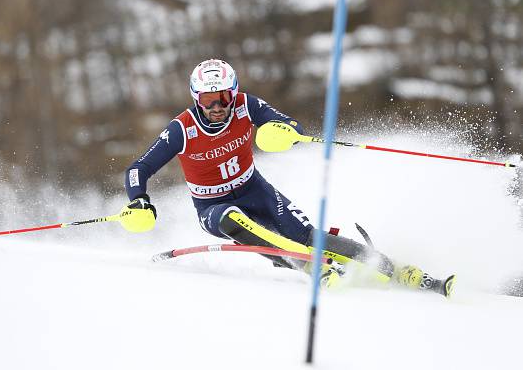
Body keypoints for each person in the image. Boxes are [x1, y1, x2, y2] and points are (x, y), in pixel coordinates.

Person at [121, 58, 455, 297]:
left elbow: (289, 124)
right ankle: (310, 267)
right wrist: (139, 200)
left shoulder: (245, 106)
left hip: (255, 189)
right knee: (234, 218)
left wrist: (283, 132)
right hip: (213, 206)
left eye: (222, 97)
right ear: (197, 98)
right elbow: (139, 168)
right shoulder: (182, 129)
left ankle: (400, 270)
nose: (217, 106)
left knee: (307, 235)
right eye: (209, 99)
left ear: (233, 93)